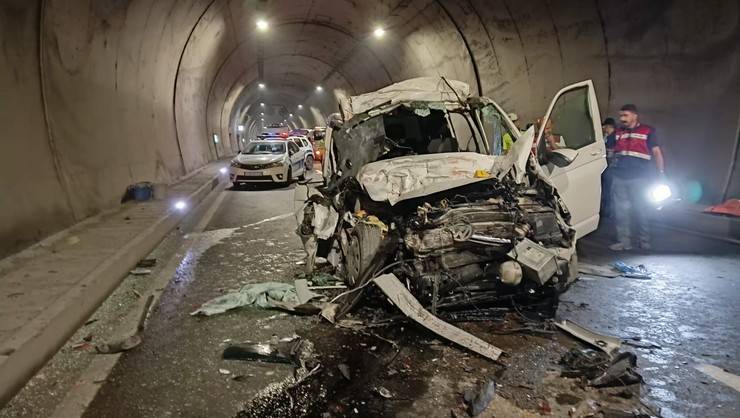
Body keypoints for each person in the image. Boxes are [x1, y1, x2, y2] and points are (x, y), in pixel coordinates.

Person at [608, 104, 665, 251]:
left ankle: (644, 241)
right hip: (620, 177)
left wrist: (661, 173)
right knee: (621, 212)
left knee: (641, 209)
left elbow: (657, 153)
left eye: (625, 115)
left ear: (635, 116)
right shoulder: (617, 133)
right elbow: (608, 150)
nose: (622, 119)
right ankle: (624, 242)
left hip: (640, 178)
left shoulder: (647, 131)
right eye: (621, 116)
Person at [601, 117, 617, 218]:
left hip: (609, 168)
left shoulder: (612, 137)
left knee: (608, 190)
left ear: (608, 126)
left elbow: (609, 152)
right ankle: (607, 211)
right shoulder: (609, 136)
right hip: (609, 167)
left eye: (604, 126)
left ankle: (608, 212)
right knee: (607, 190)